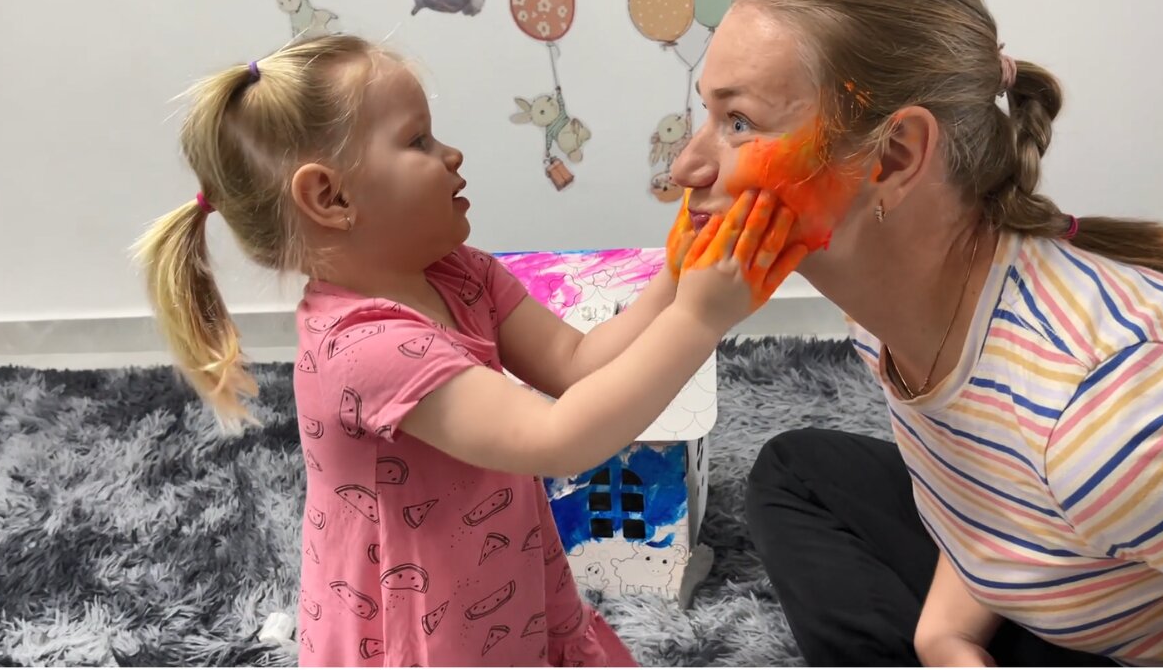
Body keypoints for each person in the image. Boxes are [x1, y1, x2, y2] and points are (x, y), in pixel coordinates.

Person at [133, 34, 798, 666]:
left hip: (506, 586)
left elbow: (575, 363)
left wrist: (677, 279)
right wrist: (700, 321)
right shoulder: (365, 348)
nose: (451, 154)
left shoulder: (460, 271)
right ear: (330, 197)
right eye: (417, 140)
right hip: (419, 636)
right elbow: (559, 439)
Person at [668, 0, 1163, 665]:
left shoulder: (1124, 422)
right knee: (795, 469)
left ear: (895, 157)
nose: (685, 165)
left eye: (738, 122)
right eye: (707, 113)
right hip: (1044, 560)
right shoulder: (881, 300)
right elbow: (983, 471)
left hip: (1119, 644)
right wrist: (945, 634)